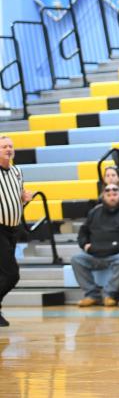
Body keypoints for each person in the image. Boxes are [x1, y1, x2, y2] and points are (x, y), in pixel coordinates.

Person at [71, 184, 119, 307]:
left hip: (118, 253)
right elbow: (83, 232)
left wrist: (118, 246)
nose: (112, 197)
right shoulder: (95, 211)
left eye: (115, 194)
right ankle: (92, 295)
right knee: (76, 259)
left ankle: (109, 294)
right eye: (108, 195)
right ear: (103, 197)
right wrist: (85, 244)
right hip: (95, 253)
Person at [0, 136, 32, 327]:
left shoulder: (18, 172)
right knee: (12, 274)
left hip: (14, 228)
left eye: (11, 146)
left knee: (3, 274)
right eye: (4, 146)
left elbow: (16, 197)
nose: (8, 149)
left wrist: (24, 197)